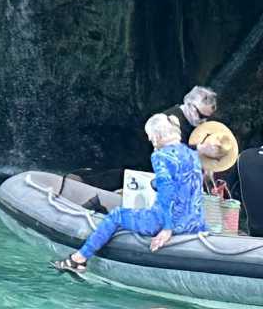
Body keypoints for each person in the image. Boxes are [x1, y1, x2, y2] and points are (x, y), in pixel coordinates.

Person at [53, 112, 209, 276]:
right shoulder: (192, 155)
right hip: (194, 222)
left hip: (164, 221)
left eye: (150, 136)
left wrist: (167, 229)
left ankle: (79, 259)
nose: (150, 140)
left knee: (117, 215)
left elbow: (167, 191)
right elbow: (192, 188)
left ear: (157, 136)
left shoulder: (160, 156)